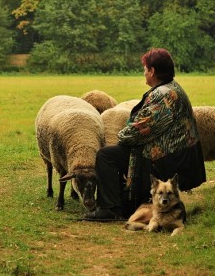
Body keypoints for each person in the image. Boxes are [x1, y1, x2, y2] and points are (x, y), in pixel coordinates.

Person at [85, 48, 206, 221]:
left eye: (145, 69)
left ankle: (109, 208)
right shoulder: (172, 88)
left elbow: (138, 131)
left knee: (107, 155)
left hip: (166, 160)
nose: (144, 73)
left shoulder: (164, 95)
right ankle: (124, 201)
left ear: (152, 71)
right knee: (119, 152)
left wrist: (121, 135)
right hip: (177, 156)